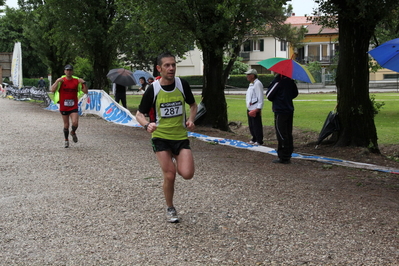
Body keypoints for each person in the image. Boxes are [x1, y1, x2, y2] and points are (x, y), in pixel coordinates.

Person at [136, 52, 197, 223]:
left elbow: (193, 105)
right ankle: (170, 208)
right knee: (170, 175)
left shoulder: (182, 84)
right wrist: (147, 124)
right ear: (159, 68)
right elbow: (139, 114)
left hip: (180, 137)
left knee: (187, 174)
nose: (171, 68)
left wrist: (191, 119)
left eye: (173, 65)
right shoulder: (153, 88)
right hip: (161, 137)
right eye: (167, 65)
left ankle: (177, 160)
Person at [50, 64, 88, 148]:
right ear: (64, 71)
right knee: (66, 125)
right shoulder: (61, 80)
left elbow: (85, 91)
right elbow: (52, 90)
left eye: (70, 70)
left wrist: (84, 83)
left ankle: (73, 132)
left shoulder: (76, 81)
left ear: (72, 71)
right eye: (67, 70)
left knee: (75, 122)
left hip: (73, 105)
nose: (69, 71)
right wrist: (57, 81)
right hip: (64, 105)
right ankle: (66, 140)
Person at [266, 74, 298, 164]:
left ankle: (283, 156)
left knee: (281, 133)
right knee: (288, 132)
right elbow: (295, 93)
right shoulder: (291, 81)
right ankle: (288, 153)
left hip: (280, 110)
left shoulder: (278, 81)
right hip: (289, 109)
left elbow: (269, 95)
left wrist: (280, 99)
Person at [245, 69, 264, 145]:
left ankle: (259, 140)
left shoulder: (257, 84)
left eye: (248, 74)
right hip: (250, 107)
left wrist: (258, 108)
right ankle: (254, 138)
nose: (247, 76)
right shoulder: (252, 84)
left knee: (256, 124)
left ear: (253, 75)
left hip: (255, 107)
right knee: (252, 125)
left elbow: (260, 96)